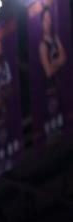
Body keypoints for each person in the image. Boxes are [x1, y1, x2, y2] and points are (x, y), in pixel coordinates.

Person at [38, 4, 67, 135]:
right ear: (42, 23)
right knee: (55, 125)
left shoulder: (55, 39)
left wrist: (54, 63)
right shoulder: (43, 45)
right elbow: (48, 71)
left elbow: (64, 58)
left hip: (61, 84)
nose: (48, 22)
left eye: (49, 18)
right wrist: (57, 62)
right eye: (45, 19)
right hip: (50, 90)